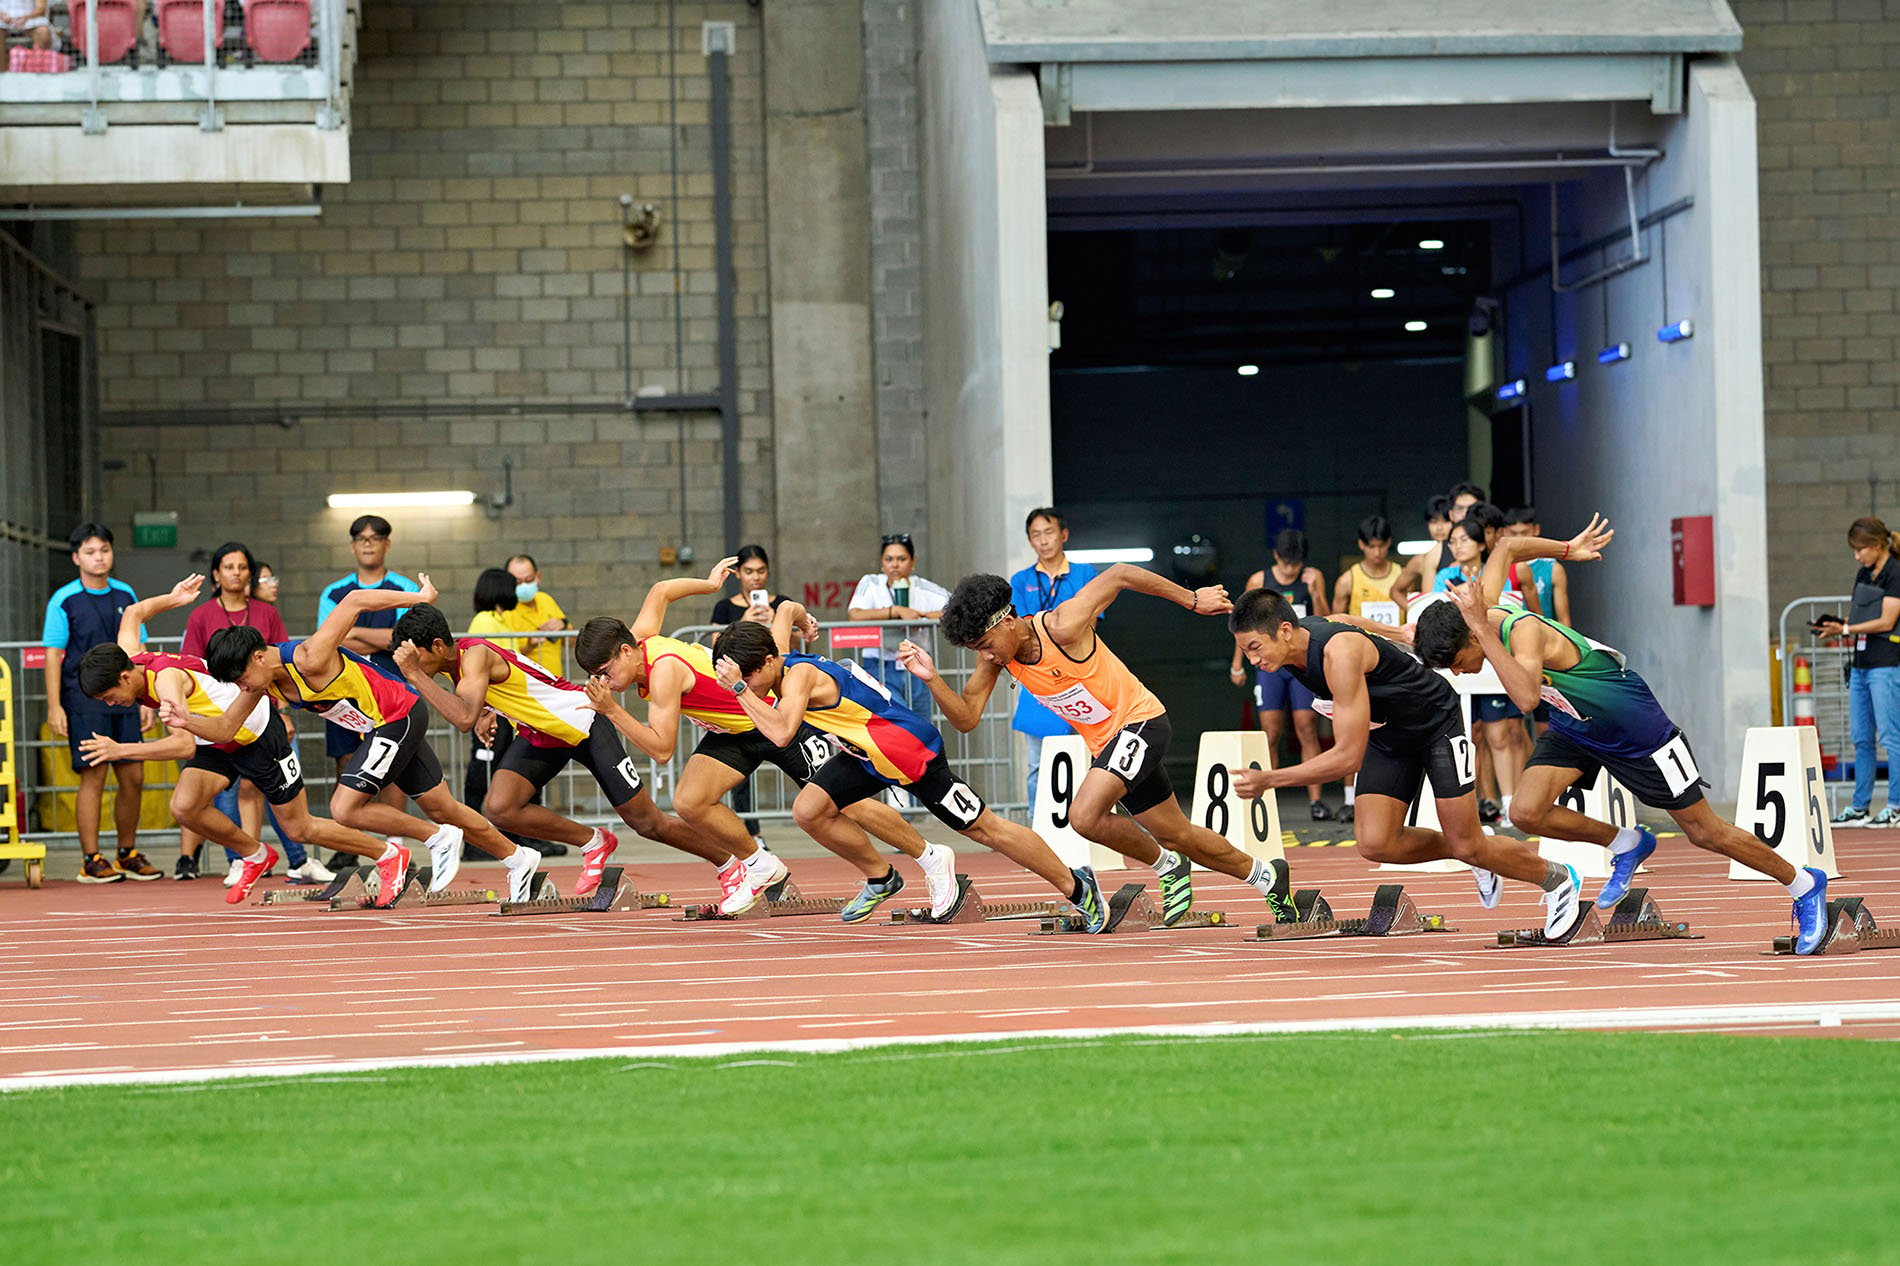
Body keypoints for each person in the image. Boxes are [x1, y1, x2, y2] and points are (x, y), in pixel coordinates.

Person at [1413, 516, 1834, 954]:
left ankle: (1804, 883)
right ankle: (1628, 842)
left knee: (1705, 832)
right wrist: (1565, 549)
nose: (1458, 673)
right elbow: (1505, 550)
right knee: (1525, 811)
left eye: (1457, 662)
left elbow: (1525, 699)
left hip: (1634, 726)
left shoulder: (1520, 630)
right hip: (1577, 725)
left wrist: (1484, 630)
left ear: (1472, 636)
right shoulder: (1482, 612)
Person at [921, 566, 1296, 928]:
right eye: (976, 650)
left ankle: (1167, 865)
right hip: (1111, 745)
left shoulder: (1062, 625)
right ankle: (1267, 877)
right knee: (1177, 834)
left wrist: (1191, 599)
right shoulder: (996, 659)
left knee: (1083, 816)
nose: (985, 656)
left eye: (985, 645)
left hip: (1141, 722)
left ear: (1006, 621)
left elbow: (1119, 574)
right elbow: (968, 718)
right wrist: (933, 679)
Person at [575, 557, 941, 917]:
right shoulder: (638, 638)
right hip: (735, 730)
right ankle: (761, 864)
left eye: (605, 673)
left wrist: (612, 710)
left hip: (775, 716)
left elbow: (661, 750)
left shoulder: (663, 673)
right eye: (595, 676)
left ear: (626, 651)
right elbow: (660, 591)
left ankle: (930, 857)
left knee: (849, 804)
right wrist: (710, 585)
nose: (603, 683)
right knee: (690, 800)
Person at [1225, 589, 1585, 941]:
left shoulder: (1340, 654)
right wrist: (1400, 634)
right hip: (1389, 734)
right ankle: (1471, 848)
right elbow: (1346, 619)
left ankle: (1557, 879)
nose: (1253, 660)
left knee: (1469, 844)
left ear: (1285, 630)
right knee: (1376, 842)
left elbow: (1348, 756)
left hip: (1436, 724)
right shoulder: (1304, 637)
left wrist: (1271, 779)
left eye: (1255, 648)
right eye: (1245, 651)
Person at [711, 615, 1107, 930]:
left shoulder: (798, 676)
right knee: (808, 810)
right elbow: (785, 611)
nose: (747, 686)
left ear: (766, 662)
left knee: (985, 827)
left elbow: (781, 733)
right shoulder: (776, 651)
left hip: (908, 751)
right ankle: (881, 877)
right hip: (868, 753)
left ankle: (1077, 885)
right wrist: (803, 620)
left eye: (747, 679)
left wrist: (739, 693)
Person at [192, 574, 544, 904]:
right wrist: (184, 718)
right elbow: (226, 728)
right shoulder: (263, 678)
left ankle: (435, 837)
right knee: (443, 807)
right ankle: (518, 858)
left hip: (397, 717)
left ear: (257, 657)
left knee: (344, 808)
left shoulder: (309, 656)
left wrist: (419, 598)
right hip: (388, 724)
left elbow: (356, 599)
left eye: (241, 680)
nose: (243, 688)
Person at [76, 576, 401, 905]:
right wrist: (174, 598)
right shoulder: (130, 656)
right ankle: (255, 854)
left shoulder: (166, 683)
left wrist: (120, 750)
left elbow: (183, 746)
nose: (110, 703)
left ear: (124, 676)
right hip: (217, 738)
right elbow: (133, 612)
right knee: (185, 806)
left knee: (300, 828)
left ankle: (387, 853)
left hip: (257, 734)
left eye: (109, 696)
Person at [391, 603, 710, 898]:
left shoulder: (473, 654)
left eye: (416, 658)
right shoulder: (456, 666)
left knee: (647, 822)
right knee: (501, 808)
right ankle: (594, 842)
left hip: (582, 719)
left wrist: (416, 675)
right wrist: (488, 712)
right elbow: (509, 682)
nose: (412, 664)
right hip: (541, 733)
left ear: (436, 646)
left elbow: (462, 718)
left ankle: (733, 860)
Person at [176, 540, 326, 886]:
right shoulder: (201, 615)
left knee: (281, 788)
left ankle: (300, 861)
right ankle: (240, 860)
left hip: (266, 714)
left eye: (243, 567)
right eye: (229, 567)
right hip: (219, 716)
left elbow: (280, 663)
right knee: (226, 791)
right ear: (216, 573)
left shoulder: (266, 612)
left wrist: (284, 711)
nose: (237, 573)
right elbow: (192, 668)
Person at [41, 521, 160, 883]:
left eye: (104, 550)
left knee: (133, 776)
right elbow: (52, 655)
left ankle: (127, 853)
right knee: (93, 776)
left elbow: (137, 652)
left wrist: (146, 699)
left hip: (126, 698)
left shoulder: (125, 595)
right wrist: (54, 705)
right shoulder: (64, 599)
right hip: (84, 701)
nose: (99, 557)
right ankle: (91, 858)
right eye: (90, 552)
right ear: (77, 557)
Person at [315, 515, 422, 838]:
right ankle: (351, 842)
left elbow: (404, 640)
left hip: (391, 689)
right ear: (352, 545)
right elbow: (328, 639)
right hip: (343, 690)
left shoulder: (406, 589)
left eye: (375, 538)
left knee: (392, 763)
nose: (368, 543)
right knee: (346, 762)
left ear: (386, 544)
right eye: (361, 538)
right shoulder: (334, 593)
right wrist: (377, 636)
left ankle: (395, 840)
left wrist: (353, 628)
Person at [1228, 529, 1332, 820]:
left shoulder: (1313, 576)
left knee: (1306, 728)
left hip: (1300, 664)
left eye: (1296, 564)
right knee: (1270, 732)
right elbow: (1241, 625)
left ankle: (1316, 801)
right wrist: (1238, 663)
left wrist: (1316, 593)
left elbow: (1327, 618)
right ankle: (1268, 804)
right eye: (1286, 563)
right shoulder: (1259, 581)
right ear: (1276, 557)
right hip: (1269, 667)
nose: (1291, 569)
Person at [463, 568, 564, 856]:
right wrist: (483, 709)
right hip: (492, 710)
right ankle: (473, 840)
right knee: (481, 773)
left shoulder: (500, 619)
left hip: (506, 711)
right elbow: (476, 667)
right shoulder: (484, 621)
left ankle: (516, 835)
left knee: (505, 773)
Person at [1433, 518, 1527, 821]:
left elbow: (1504, 606)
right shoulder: (1443, 576)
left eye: (1463, 540)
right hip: (1459, 662)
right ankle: (1476, 802)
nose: (1457, 546)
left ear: (1480, 544)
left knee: (1499, 734)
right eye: (1453, 541)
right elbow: (1432, 611)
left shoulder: (1496, 575)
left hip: (1488, 662)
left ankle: (1509, 801)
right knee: (1465, 736)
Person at [1008, 508, 1099, 811]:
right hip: (1039, 678)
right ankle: (1040, 831)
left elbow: (1090, 622)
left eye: (1049, 533)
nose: (1044, 541)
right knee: (1038, 761)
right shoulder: (1021, 580)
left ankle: (1090, 830)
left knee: (1089, 759)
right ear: (1030, 542)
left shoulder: (1085, 573)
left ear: (1063, 535)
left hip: (1082, 675)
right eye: (1036, 535)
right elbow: (1021, 626)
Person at [1814, 517, 1900, 827]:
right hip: (1862, 665)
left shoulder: (1895, 572)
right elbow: (1864, 614)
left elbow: (1887, 621)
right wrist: (1836, 626)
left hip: (1887, 663)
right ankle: (1860, 805)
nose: (1857, 556)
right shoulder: (1865, 572)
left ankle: (1895, 804)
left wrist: (1847, 628)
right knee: (1861, 737)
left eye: (1861, 549)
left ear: (1877, 545)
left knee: (1891, 737)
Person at [707, 544, 788, 845]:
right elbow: (718, 645)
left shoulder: (780, 604)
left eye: (761, 571)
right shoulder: (725, 608)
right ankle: (751, 832)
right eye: (749, 571)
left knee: (789, 748)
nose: (755, 578)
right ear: (738, 574)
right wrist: (746, 621)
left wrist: (773, 621)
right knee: (742, 765)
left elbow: (792, 642)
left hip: (776, 691)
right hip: (741, 692)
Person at [847, 533, 948, 716]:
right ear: (882, 562)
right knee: (896, 719)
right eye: (889, 559)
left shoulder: (922, 587)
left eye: (901, 559)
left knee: (921, 722)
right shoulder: (871, 583)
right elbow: (855, 615)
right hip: (879, 663)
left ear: (913, 561)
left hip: (917, 662)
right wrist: (895, 611)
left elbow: (956, 608)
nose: (895, 565)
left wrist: (921, 617)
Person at [505, 553, 569, 678]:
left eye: (528, 580)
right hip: (527, 684)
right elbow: (504, 657)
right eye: (517, 582)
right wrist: (529, 647)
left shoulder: (546, 599)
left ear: (537, 576)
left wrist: (563, 625)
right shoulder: (506, 610)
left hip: (556, 681)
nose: (523, 586)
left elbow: (571, 642)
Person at [1391, 494, 1454, 602]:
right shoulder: (1421, 560)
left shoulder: (1465, 555)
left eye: (1445, 521)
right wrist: (1415, 611)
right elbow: (1395, 591)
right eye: (1433, 521)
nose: (1439, 527)